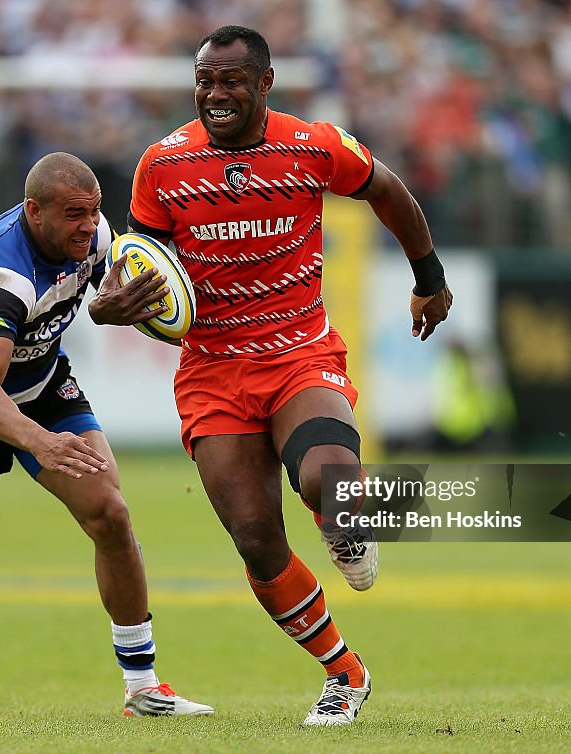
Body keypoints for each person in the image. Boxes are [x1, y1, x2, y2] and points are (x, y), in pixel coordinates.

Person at [116, 26, 453, 726]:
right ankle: (346, 673)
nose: (215, 93)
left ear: (265, 83)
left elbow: (387, 189)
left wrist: (429, 276)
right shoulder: (163, 163)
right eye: (205, 79)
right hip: (211, 370)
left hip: (299, 352)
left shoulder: (314, 144)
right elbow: (141, 261)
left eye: (231, 79)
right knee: (255, 538)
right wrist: (117, 299)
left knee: (326, 482)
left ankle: (346, 525)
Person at [0, 152, 212, 718]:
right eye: (74, 214)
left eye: (94, 211)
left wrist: (109, 309)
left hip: (45, 387)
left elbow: (106, 294)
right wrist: (40, 443)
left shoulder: (95, 236)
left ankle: (142, 686)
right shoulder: (4, 279)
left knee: (111, 514)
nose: (89, 225)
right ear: (35, 212)